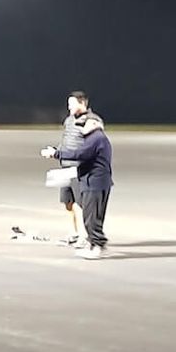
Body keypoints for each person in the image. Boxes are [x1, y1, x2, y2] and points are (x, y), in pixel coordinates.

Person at [41, 103, 113, 258]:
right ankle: (94, 243)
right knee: (90, 215)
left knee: (91, 216)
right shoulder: (93, 138)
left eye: (83, 125)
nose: (81, 128)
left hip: (95, 182)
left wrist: (56, 154)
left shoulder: (96, 139)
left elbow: (80, 154)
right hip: (92, 181)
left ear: (94, 124)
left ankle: (97, 245)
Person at [52, 92, 92, 244]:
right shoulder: (69, 120)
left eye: (72, 104)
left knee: (80, 203)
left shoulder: (90, 121)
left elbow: (90, 145)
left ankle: (84, 234)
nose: (69, 107)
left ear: (82, 103)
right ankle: (73, 232)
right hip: (65, 165)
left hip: (79, 167)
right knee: (67, 202)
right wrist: (58, 152)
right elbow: (66, 138)